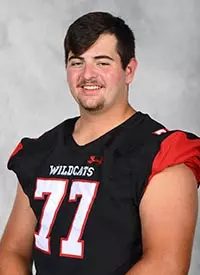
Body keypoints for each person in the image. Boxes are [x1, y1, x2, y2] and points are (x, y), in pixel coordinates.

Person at [0, 11, 199, 275]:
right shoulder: (41, 151)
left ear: (129, 70)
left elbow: (166, 264)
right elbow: (12, 250)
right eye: (77, 62)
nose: (87, 75)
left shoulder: (161, 153)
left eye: (102, 62)